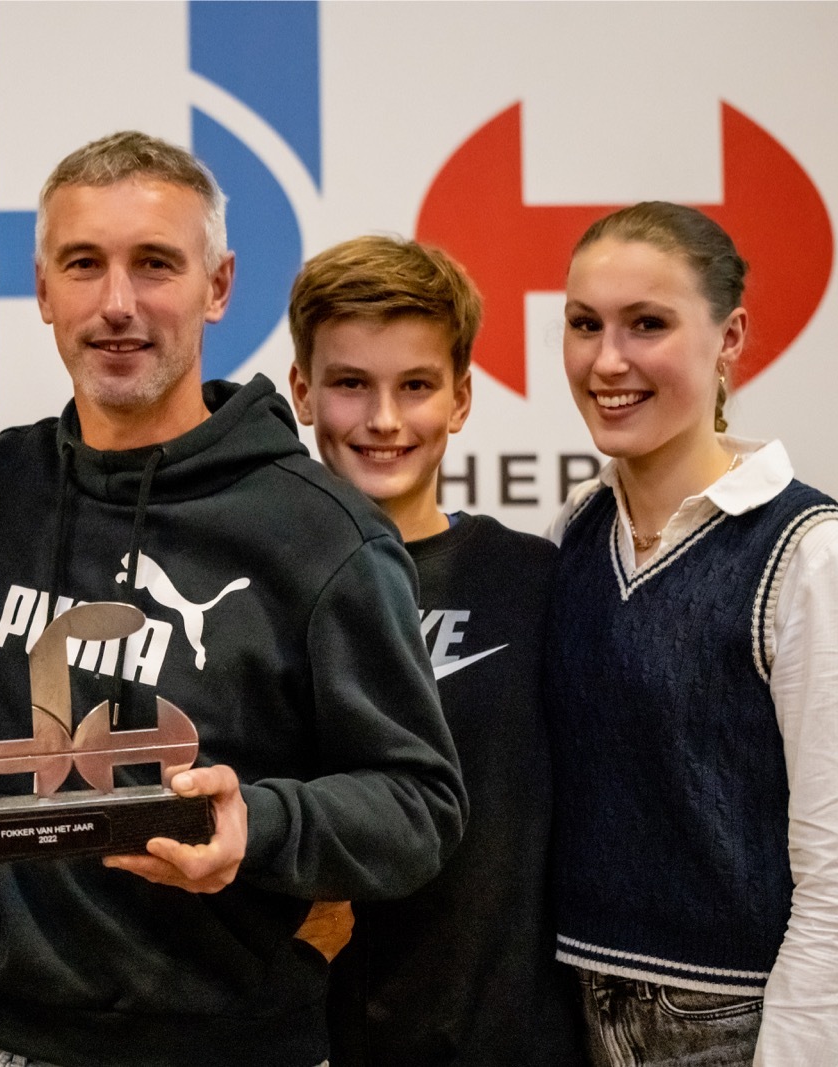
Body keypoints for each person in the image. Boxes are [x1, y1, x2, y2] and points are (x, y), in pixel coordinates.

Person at [0, 131, 466, 1067]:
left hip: (225, 1044)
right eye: (84, 265)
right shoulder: (11, 477)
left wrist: (258, 823)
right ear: (43, 291)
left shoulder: (323, 533)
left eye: (156, 265)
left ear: (218, 286)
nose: (118, 305)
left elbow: (420, 805)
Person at [547, 201, 838, 1066]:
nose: (606, 360)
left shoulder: (812, 554)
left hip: (747, 1032)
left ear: (730, 336)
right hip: (580, 1015)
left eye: (648, 324)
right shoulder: (577, 528)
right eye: (585, 324)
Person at [287, 234, 585, 1066]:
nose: (383, 420)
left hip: (509, 1041)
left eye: (415, 386)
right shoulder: (260, 596)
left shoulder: (535, 580)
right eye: (351, 384)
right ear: (303, 392)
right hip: (311, 1039)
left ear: (460, 399)